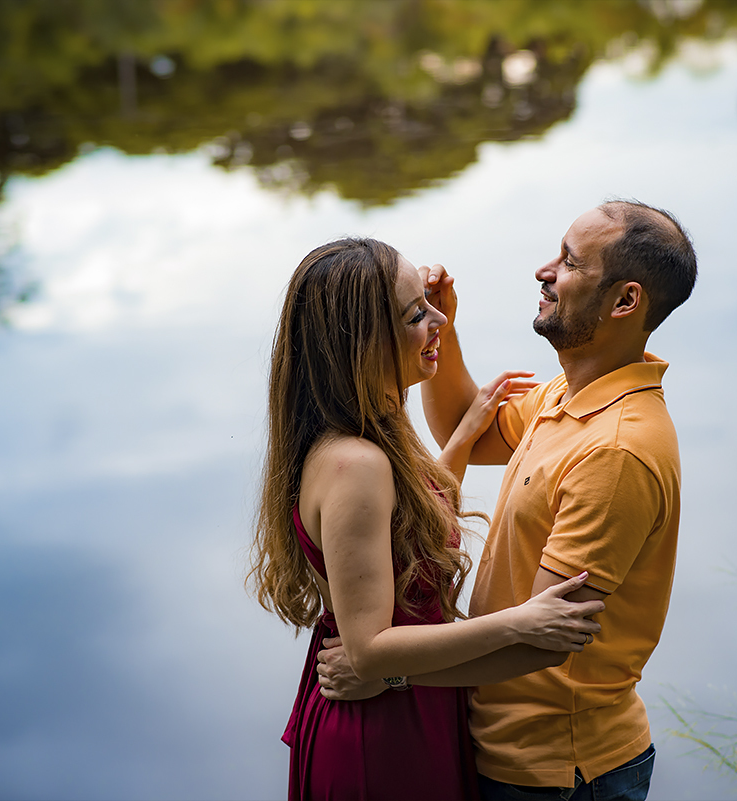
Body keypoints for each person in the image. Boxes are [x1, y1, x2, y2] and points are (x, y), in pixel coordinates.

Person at [249, 237, 606, 801]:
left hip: (409, 704)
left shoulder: (371, 431)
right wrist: (521, 622)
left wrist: (464, 436)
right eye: (418, 313)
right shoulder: (355, 463)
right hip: (383, 735)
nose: (439, 318)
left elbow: (405, 528)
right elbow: (368, 651)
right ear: (365, 342)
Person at [415, 200, 698, 800]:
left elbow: (537, 638)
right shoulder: (570, 394)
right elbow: (464, 430)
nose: (544, 270)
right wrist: (442, 327)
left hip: (559, 771)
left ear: (625, 301)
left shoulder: (616, 450)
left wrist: (389, 672)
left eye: (570, 262)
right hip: (509, 750)